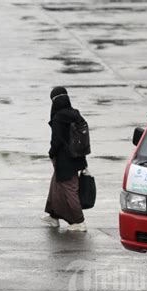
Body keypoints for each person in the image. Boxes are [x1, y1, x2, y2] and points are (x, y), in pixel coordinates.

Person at [42, 87, 88, 231]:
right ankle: (53, 216)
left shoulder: (58, 118)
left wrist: (51, 153)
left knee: (70, 189)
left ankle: (80, 222)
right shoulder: (75, 114)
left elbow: (56, 142)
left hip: (64, 160)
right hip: (77, 157)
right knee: (56, 186)